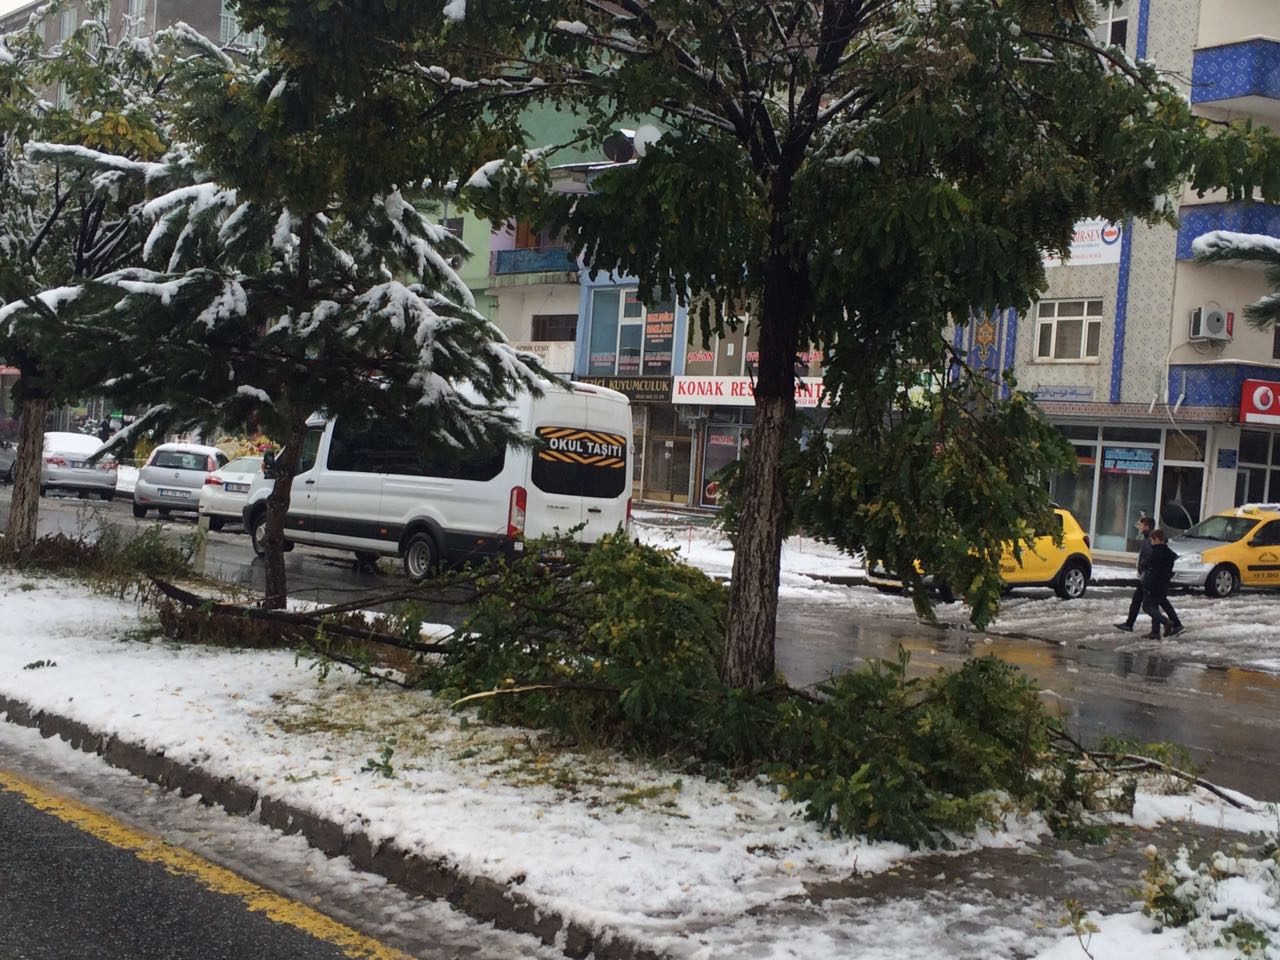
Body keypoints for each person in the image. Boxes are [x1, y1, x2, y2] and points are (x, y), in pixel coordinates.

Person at [1140, 528, 1183, 639]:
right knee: (1158, 603)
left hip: (1153, 584)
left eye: (1153, 540)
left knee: (1147, 606)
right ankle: (1156, 631)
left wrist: (1143, 564)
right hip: (1164, 583)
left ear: (1158, 539)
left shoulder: (1155, 553)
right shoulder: (1169, 553)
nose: (1151, 542)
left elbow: (1146, 564)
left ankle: (1166, 622)